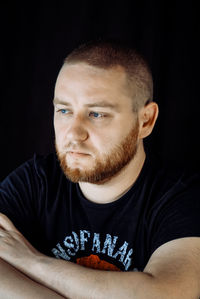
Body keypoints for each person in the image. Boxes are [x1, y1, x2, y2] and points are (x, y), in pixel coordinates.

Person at [0, 40, 200, 299]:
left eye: (96, 114)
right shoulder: (36, 181)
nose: (73, 134)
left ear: (145, 121)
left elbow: (166, 293)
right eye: (63, 110)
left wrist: (31, 261)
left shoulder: (181, 197)